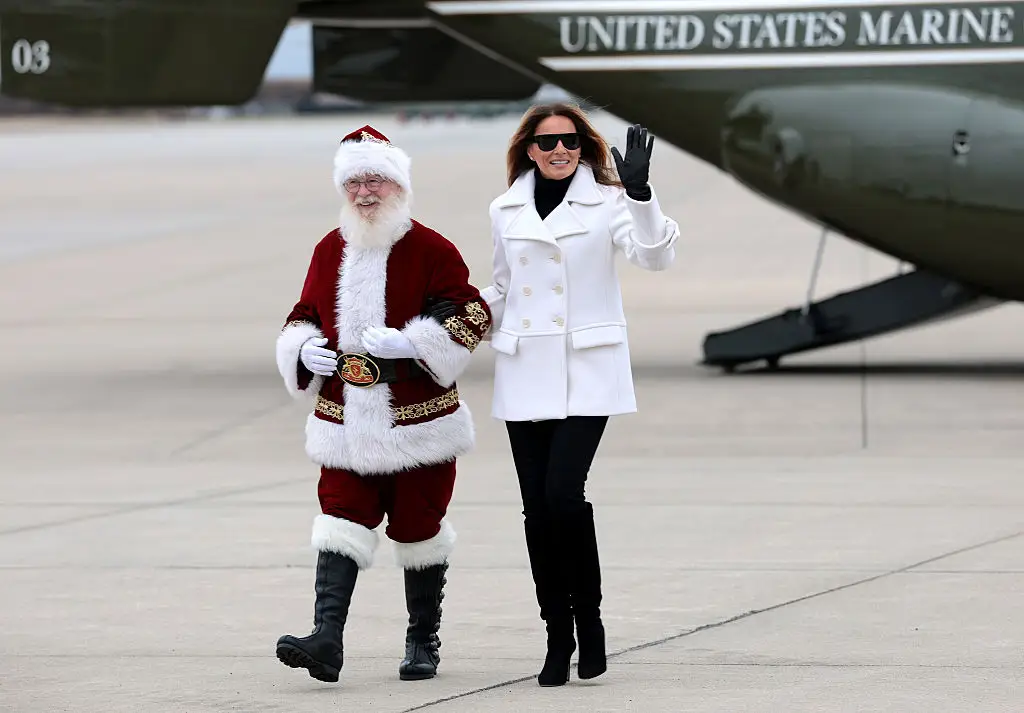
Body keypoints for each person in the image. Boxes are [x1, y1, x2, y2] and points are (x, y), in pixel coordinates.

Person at [273, 125, 492, 684]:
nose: (365, 192)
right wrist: (305, 349)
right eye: (355, 183)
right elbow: (303, 312)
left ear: (398, 186)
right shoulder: (329, 248)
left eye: (376, 180)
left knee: (419, 528)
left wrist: (415, 342)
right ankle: (326, 639)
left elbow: (471, 313)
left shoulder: (432, 248)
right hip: (343, 418)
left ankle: (422, 640)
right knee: (339, 517)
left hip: (417, 421)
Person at [478, 103, 679, 686]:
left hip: (587, 370)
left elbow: (656, 256)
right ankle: (555, 634)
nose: (559, 151)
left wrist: (641, 195)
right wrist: (463, 314)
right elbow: (504, 286)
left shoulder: (610, 202)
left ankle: (589, 623)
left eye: (570, 141)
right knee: (536, 511)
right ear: (529, 151)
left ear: (583, 146)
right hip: (524, 370)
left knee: (564, 496)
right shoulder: (505, 208)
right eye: (547, 143)